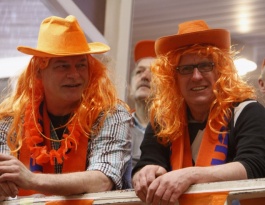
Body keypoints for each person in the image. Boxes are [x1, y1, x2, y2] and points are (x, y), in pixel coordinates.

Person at [132, 20, 265, 205]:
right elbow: (146, 162)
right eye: (186, 69)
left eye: (205, 66)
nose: (196, 76)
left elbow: (255, 166)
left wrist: (192, 176)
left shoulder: (248, 111)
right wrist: (145, 173)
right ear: (173, 78)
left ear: (220, 71)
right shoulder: (162, 120)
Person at [0, 15, 131, 199]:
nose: (74, 75)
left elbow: (102, 180)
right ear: (39, 71)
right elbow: (4, 174)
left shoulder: (111, 113)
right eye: (62, 66)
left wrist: (31, 180)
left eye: (81, 65)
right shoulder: (10, 119)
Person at [129, 40, 156, 168]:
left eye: (154, 72)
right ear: (130, 88)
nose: (144, 77)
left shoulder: (175, 130)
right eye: (139, 72)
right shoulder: (116, 127)